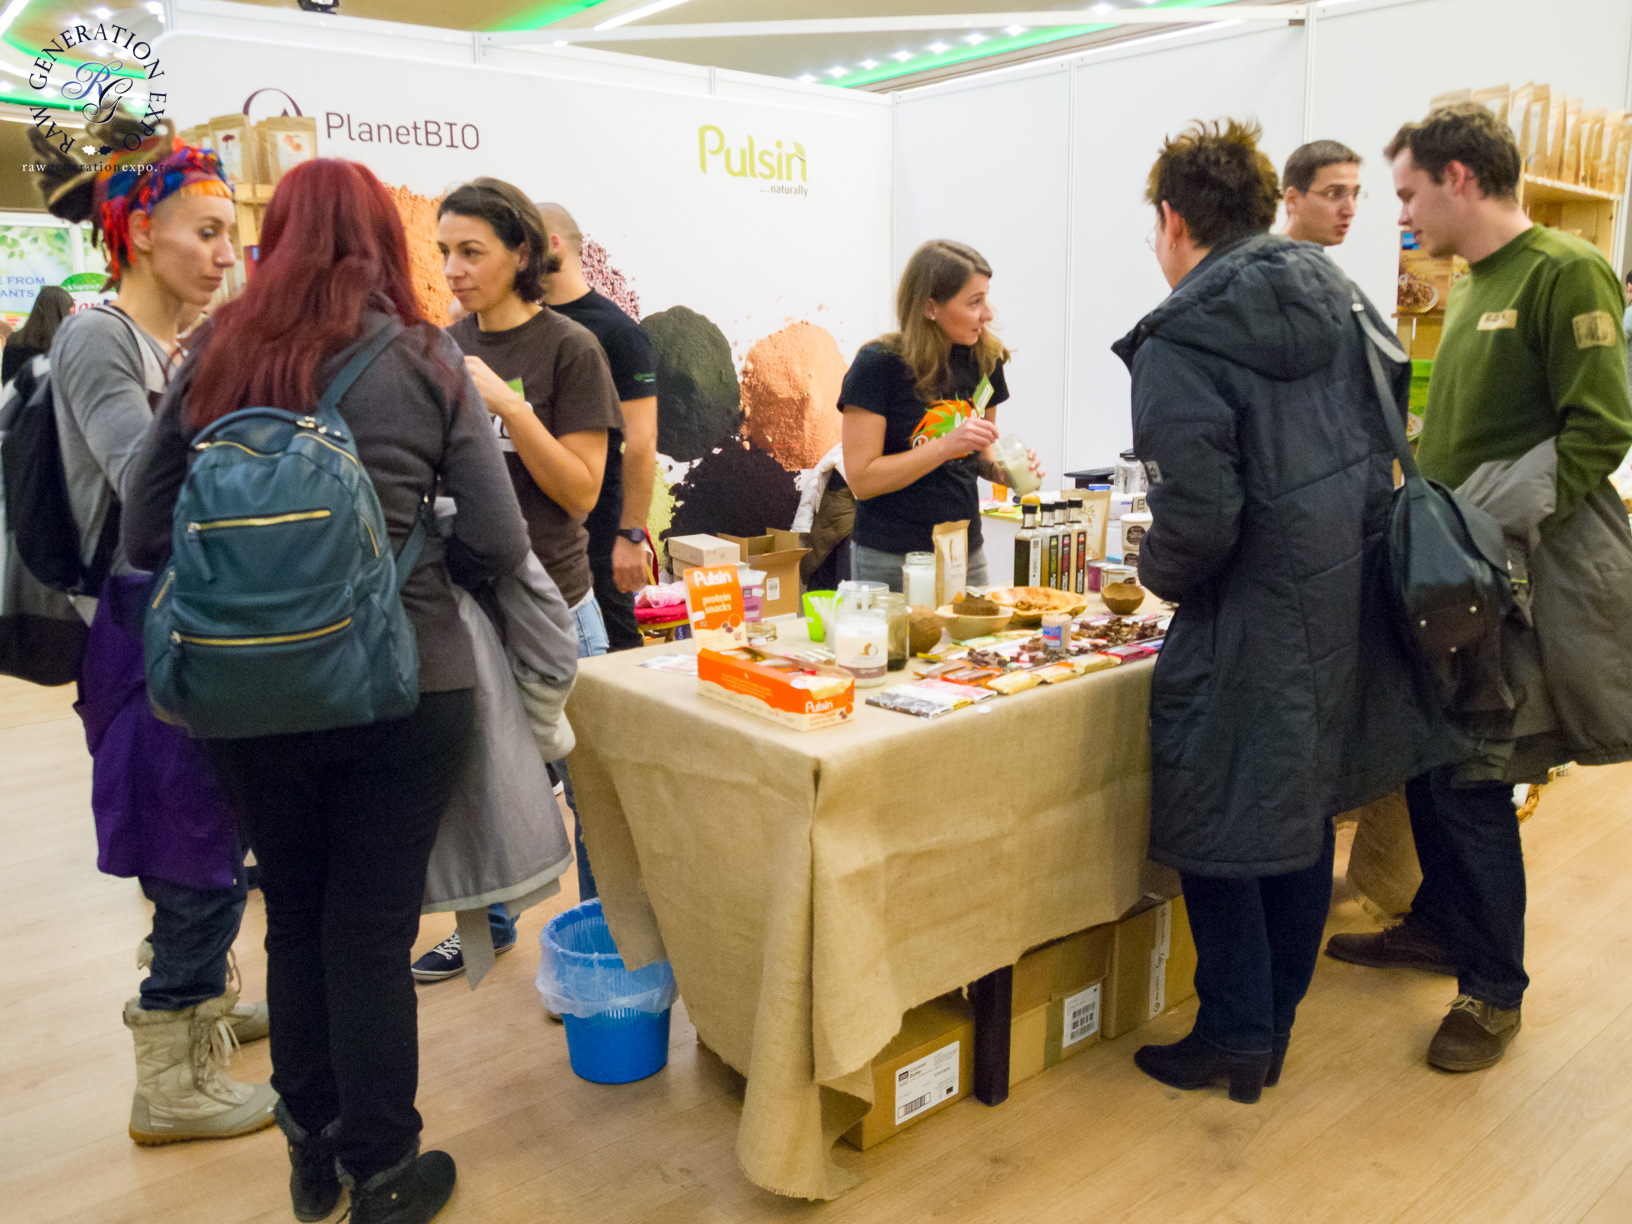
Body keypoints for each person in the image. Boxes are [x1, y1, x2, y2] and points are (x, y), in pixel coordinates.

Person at [124, 157, 531, 1224]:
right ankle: (385, 1172)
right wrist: (417, 546)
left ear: (276, 241)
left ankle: (310, 1159)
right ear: (384, 242)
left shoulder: (214, 354)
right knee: (371, 933)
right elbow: (498, 541)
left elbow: (141, 532)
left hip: (242, 696)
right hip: (406, 685)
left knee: (294, 920)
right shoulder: (428, 359)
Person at [1112, 119, 1454, 1102]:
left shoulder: (1181, 337)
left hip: (1248, 619)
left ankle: (1234, 1034)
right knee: (1301, 817)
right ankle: (1270, 1028)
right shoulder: (1341, 295)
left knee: (1220, 825)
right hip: (1346, 597)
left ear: (1173, 219)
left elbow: (1200, 520)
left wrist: (1152, 569)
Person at [1326, 104, 1632, 1072]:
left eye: (1409, 193)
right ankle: (1440, 924)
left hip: (1506, 580)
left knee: (1476, 778)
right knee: (1431, 760)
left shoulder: (1563, 271)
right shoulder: (1470, 283)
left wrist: (1493, 525)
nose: (1402, 216)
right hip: (1448, 572)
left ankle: (1495, 991)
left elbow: (1601, 428)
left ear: (1459, 177)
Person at [34, 119, 277, 1146]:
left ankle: (205, 1002)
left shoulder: (165, 343)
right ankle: (169, 1078)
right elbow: (148, 487)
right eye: (206, 233)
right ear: (138, 234)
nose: (226, 256)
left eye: (231, 236)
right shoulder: (100, 337)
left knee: (211, 825)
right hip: (142, 629)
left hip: (179, 619)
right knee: (187, 842)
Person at [418, 178, 621, 982]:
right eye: (445, 252)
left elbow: (581, 491)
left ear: (521, 252)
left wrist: (508, 405)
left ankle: (608, 938)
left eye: (471, 251)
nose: (453, 269)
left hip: (559, 610)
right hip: (472, 613)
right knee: (484, 786)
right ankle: (491, 922)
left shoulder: (571, 349)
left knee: (592, 795)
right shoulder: (439, 348)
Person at [840, 239, 1039, 592]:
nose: (988, 314)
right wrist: (945, 446)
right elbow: (862, 480)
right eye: (974, 302)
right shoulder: (877, 366)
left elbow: (980, 453)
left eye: (986, 298)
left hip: (964, 552)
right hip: (890, 557)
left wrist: (1002, 472)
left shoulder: (985, 358)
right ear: (930, 306)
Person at [537, 202, 658, 654]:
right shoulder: (528, 325)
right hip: (542, 526)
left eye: (522, 245)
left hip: (601, 526)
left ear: (553, 245)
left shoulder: (618, 333)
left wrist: (631, 535)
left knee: (615, 649)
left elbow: (641, 442)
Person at [1280, 140, 1363, 247]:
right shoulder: (1270, 256)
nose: (1350, 211)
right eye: (1334, 194)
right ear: (1293, 200)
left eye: (1355, 194)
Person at [3, 284, 73, 384]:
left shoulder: (14, 340)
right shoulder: (68, 343)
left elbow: (7, 383)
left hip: (21, 393)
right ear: (63, 312)